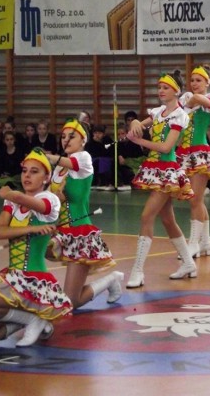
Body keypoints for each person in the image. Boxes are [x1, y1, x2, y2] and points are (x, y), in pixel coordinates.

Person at [0, 148, 72, 349]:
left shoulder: (50, 200)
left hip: (33, 281)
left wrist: (11, 193)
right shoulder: (13, 202)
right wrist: (32, 227)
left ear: (46, 177)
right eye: (24, 171)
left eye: (34, 171)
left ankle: (32, 320)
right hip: (13, 278)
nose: (27, 175)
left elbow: (28, 202)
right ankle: (28, 319)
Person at [125, 70, 196, 288]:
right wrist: (135, 122)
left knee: (147, 216)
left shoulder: (180, 116)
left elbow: (166, 147)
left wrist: (141, 143)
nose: (161, 91)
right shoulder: (157, 113)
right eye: (159, 87)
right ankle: (188, 263)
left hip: (167, 170)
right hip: (154, 170)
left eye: (165, 88)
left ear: (176, 91)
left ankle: (137, 271)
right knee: (168, 220)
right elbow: (132, 132)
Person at [45, 118, 123, 309]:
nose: (66, 140)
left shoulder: (83, 158)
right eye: (63, 136)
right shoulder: (59, 170)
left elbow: (68, 163)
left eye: (72, 136)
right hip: (62, 233)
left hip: (80, 235)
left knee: (71, 301)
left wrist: (48, 157)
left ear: (83, 140)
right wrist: (56, 199)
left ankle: (111, 280)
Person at [177, 65, 210, 258]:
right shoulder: (187, 100)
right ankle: (206, 243)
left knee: (195, 200)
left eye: (199, 80)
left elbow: (197, 99)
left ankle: (193, 243)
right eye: (192, 80)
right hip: (184, 154)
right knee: (198, 200)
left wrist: (183, 98)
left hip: (200, 154)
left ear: (207, 82)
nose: (194, 84)